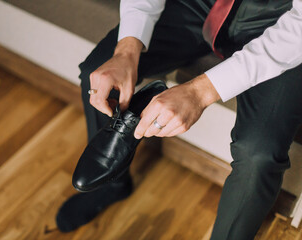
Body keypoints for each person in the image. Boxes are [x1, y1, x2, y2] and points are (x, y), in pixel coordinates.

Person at [56, 0, 302, 238]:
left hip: (285, 20)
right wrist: (126, 49)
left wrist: (200, 91)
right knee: (98, 71)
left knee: (258, 154)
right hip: (199, 4)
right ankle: (111, 186)